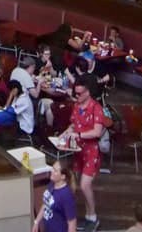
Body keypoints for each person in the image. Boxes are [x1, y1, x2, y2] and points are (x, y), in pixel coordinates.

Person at [70, 82, 109, 229]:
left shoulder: (96, 108)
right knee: (83, 186)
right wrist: (66, 133)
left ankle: (93, 216)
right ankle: (88, 216)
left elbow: (97, 132)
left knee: (85, 184)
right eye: (75, 93)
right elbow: (73, 125)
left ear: (87, 92)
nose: (77, 96)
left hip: (91, 151)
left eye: (79, 93)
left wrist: (79, 134)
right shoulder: (76, 106)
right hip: (78, 151)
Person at [37, 159, 78, 232]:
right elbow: (46, 204)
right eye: (52, 168)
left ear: (63, 176)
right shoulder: (51, 184)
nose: (52, 171)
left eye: (55, 170)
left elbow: (72, 223)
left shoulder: (66, 196)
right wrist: (36, 222)